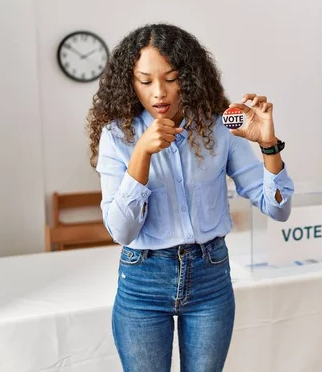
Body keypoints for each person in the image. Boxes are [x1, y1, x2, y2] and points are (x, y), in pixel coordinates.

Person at [86, 23, 294, 372]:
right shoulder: (116, 136)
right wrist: (141, 154)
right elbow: (121, 232)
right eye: (145, 80)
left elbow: (279, 208)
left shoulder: (219, 126)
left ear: (191, 76)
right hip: (143, 282)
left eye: (171, 77)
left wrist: (268, 144)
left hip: (210, 278)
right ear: (129, 82)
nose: (159, 93)